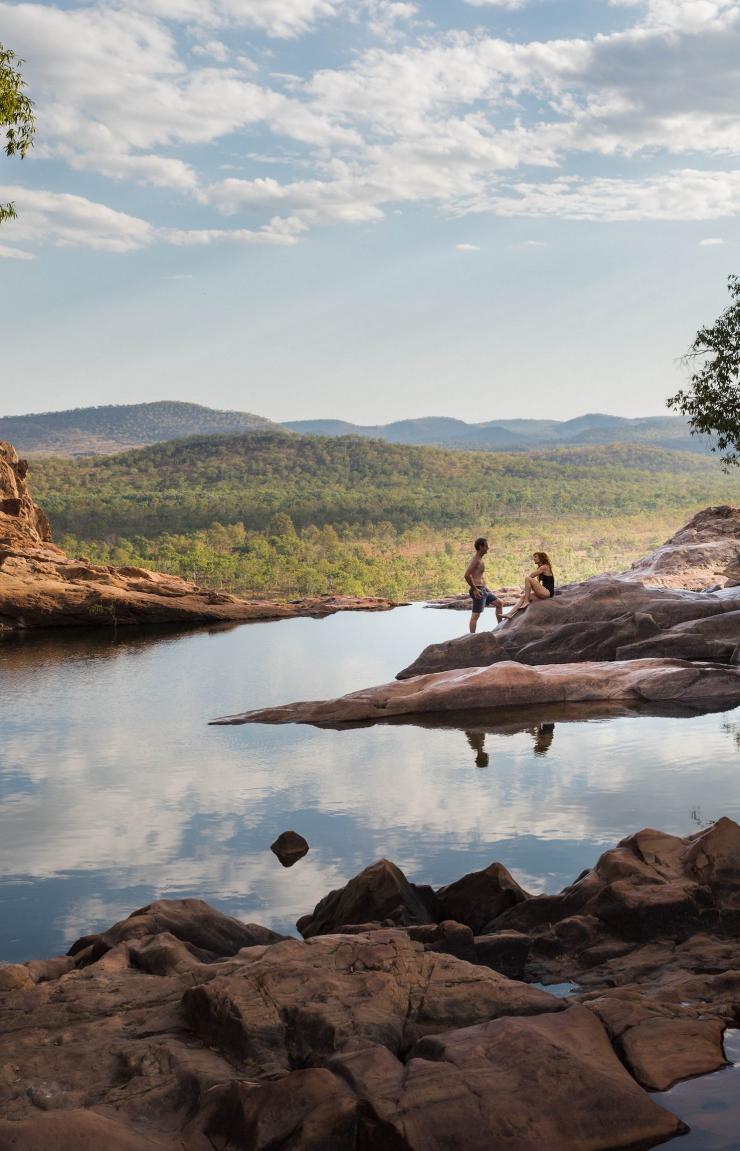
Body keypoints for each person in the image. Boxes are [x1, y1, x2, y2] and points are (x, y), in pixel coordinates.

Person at [464, 536, 503, 633]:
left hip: (483, 589)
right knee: (475, 615)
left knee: (499, 603)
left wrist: (486, 588)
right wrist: (475, 589)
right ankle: (472, 636)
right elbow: (466, 575)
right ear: (481, 547)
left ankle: (500, 628)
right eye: (486, 546)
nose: (488, 548)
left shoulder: (480, 559)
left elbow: (479, 576)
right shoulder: (476, 560)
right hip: (478, 590)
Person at [507, 551, 555, 621]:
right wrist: (527, 591)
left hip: (548, 592)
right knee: (523, 597)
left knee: (527, 578)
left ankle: (526, 602)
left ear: (541, 558)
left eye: (536, 557)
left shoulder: (544, 567)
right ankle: (510, 614)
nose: (534, 559)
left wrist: (528, 586)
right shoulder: (541, 567)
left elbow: (531, 576)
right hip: (544, 592)